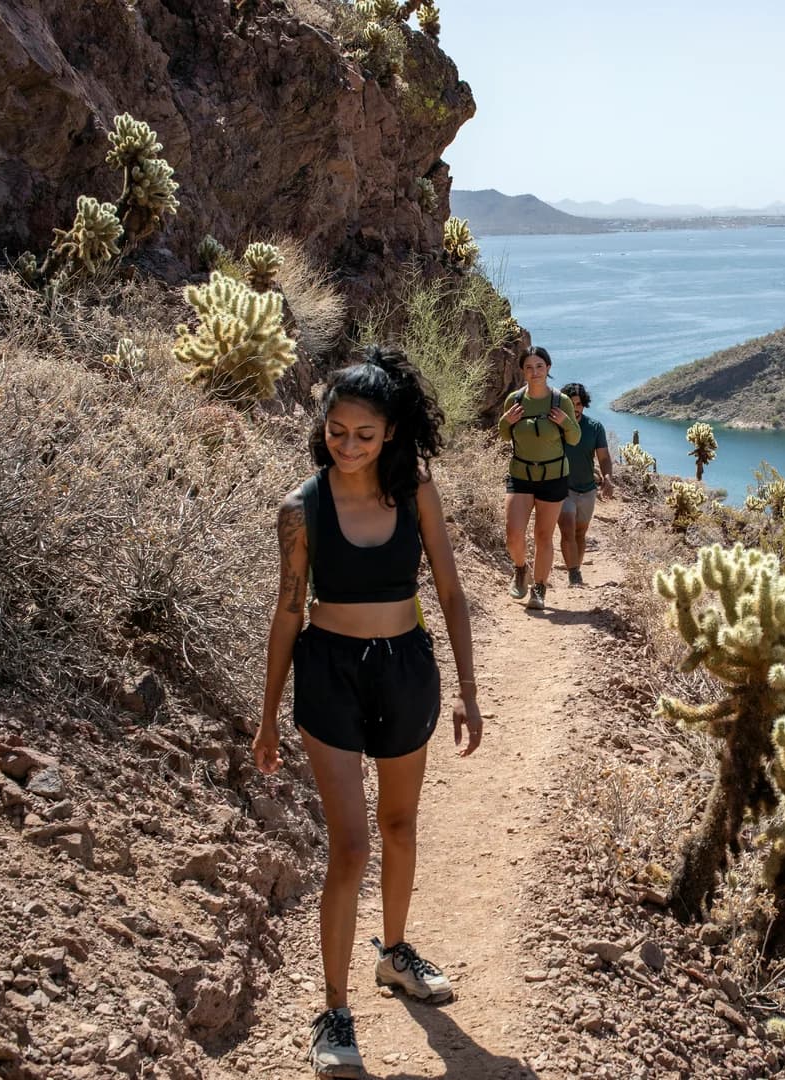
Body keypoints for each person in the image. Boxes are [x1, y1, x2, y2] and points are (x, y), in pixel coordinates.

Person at [253, 345, 483, 1078]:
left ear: (390, 435)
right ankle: (333, 1011)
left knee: (401, 826)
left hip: (407, 670)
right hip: (329, 677)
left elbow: (449, 591)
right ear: (322, 425)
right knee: (350, 848)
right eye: (336, 431)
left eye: (363, 434)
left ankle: (394, 956)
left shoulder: (414, 486)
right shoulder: (301, 508)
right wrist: (266, 716)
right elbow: (288, 613)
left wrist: (471, 691)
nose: (347, 445)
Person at [498, 346, 580, 611]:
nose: (535, 372)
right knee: (513, 534)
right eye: (529, 367)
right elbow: (503, 435)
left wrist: (566, 422)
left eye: (540, 366)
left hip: (553, 477)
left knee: (543, 536)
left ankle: (539, 589)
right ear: (522, 371)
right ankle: (521, 569)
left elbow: (575, 438)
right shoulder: (514, 400)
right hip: (520, 475)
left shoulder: (561, 401)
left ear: (548, 368)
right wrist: (505, 421)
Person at [556, 382, 614, 586]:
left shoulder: (594, 428)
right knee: (567, 529)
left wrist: (607, 477)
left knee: (580, 533)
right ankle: (573, 572)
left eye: (578, 404)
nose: (575, 409)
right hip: (563, 488)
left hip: (587, 489)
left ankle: (576, 570)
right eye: (570, 405)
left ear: (584, 404)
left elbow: (604, 457)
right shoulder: (556, 427)